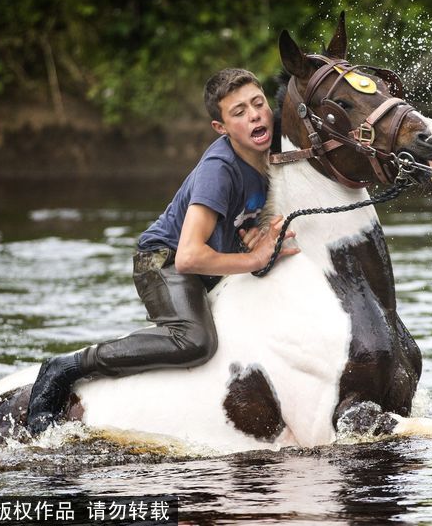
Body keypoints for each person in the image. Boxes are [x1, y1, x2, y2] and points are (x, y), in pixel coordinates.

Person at [25, 68, 299, 435]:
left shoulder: (274, 141)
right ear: (221, 128)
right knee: (194, 341)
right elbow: (188, 255)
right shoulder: (218, 171)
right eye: (239, 112)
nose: (254, 115)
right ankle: (67, 366)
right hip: (163, 261)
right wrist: (253, 258)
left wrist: (257, 234)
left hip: (208, 261)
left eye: (258, 104)